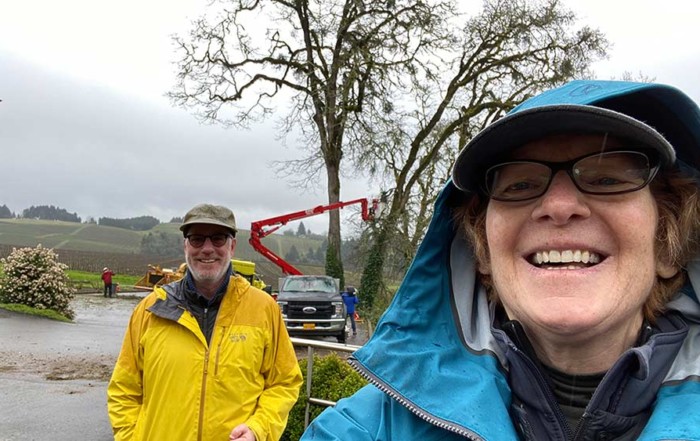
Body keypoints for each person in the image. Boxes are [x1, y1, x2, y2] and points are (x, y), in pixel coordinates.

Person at [301, 80, 700, 440]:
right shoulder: (367, 431)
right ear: (482, 253)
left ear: (668, 247)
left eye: (607, 179)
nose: (559, 206)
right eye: (521, 184)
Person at [108, 203, 303, 441]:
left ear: (232, 246)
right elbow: (123, 389)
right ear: (186, 246)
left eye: (218, 238)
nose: (207, 249)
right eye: (197, 239)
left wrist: (259, 428)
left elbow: (284, 382)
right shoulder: (150, 310)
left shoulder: (263, 309)